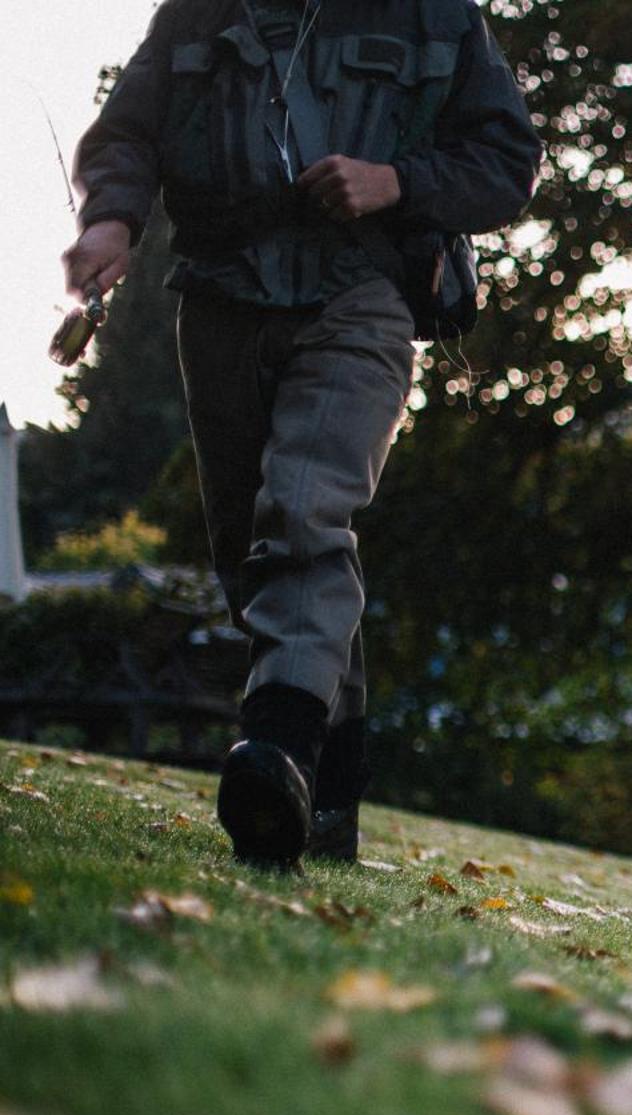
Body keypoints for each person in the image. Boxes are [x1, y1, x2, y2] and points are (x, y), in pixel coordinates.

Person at [61, 0, 541, 866]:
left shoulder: (435, 15)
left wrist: (397, 182)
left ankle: (275, 749)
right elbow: (128, 131)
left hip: (362, 294)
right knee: (249, 544)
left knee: (306, 513)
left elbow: (507, 160)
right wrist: (111, 217)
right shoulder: (199, 11)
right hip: (219, 297)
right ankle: (324, 800)